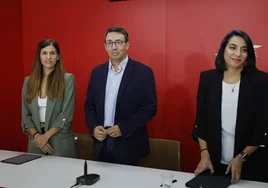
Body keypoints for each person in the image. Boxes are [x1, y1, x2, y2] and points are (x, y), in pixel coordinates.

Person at [192, 30, 268, 183]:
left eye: (244, 49)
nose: (237, 54)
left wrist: (242, 157)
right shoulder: (208, 79)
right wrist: (204, 153)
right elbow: (200, 121)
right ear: (223, 50)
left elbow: (263, 127)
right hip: (214, 164)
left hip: (250, 164)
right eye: (233, 47)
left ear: (249, 55)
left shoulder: (261, 81)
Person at [84, 27, 157, 165]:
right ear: (105, 46)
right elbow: (89, 106)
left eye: (118, 42)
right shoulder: (97, 73)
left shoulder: (143, 72)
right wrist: (94, 128)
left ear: (127, 44)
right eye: (110, 43)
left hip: (129, 142)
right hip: (101, 142)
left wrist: (123, 128)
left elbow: (150, 107)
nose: (114, 47)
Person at [22, 39, 76, 158]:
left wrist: (45, 137)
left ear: (57, 57)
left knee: (61, 175)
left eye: (52, 53)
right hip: (35, 142)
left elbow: (66, 114)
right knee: (36, 175)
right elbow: (26, 115)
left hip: (59, 140)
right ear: (39, 56)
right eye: (44, 53)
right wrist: (37, 136)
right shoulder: (28, 82)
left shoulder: (67, 79)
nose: (48, 57)